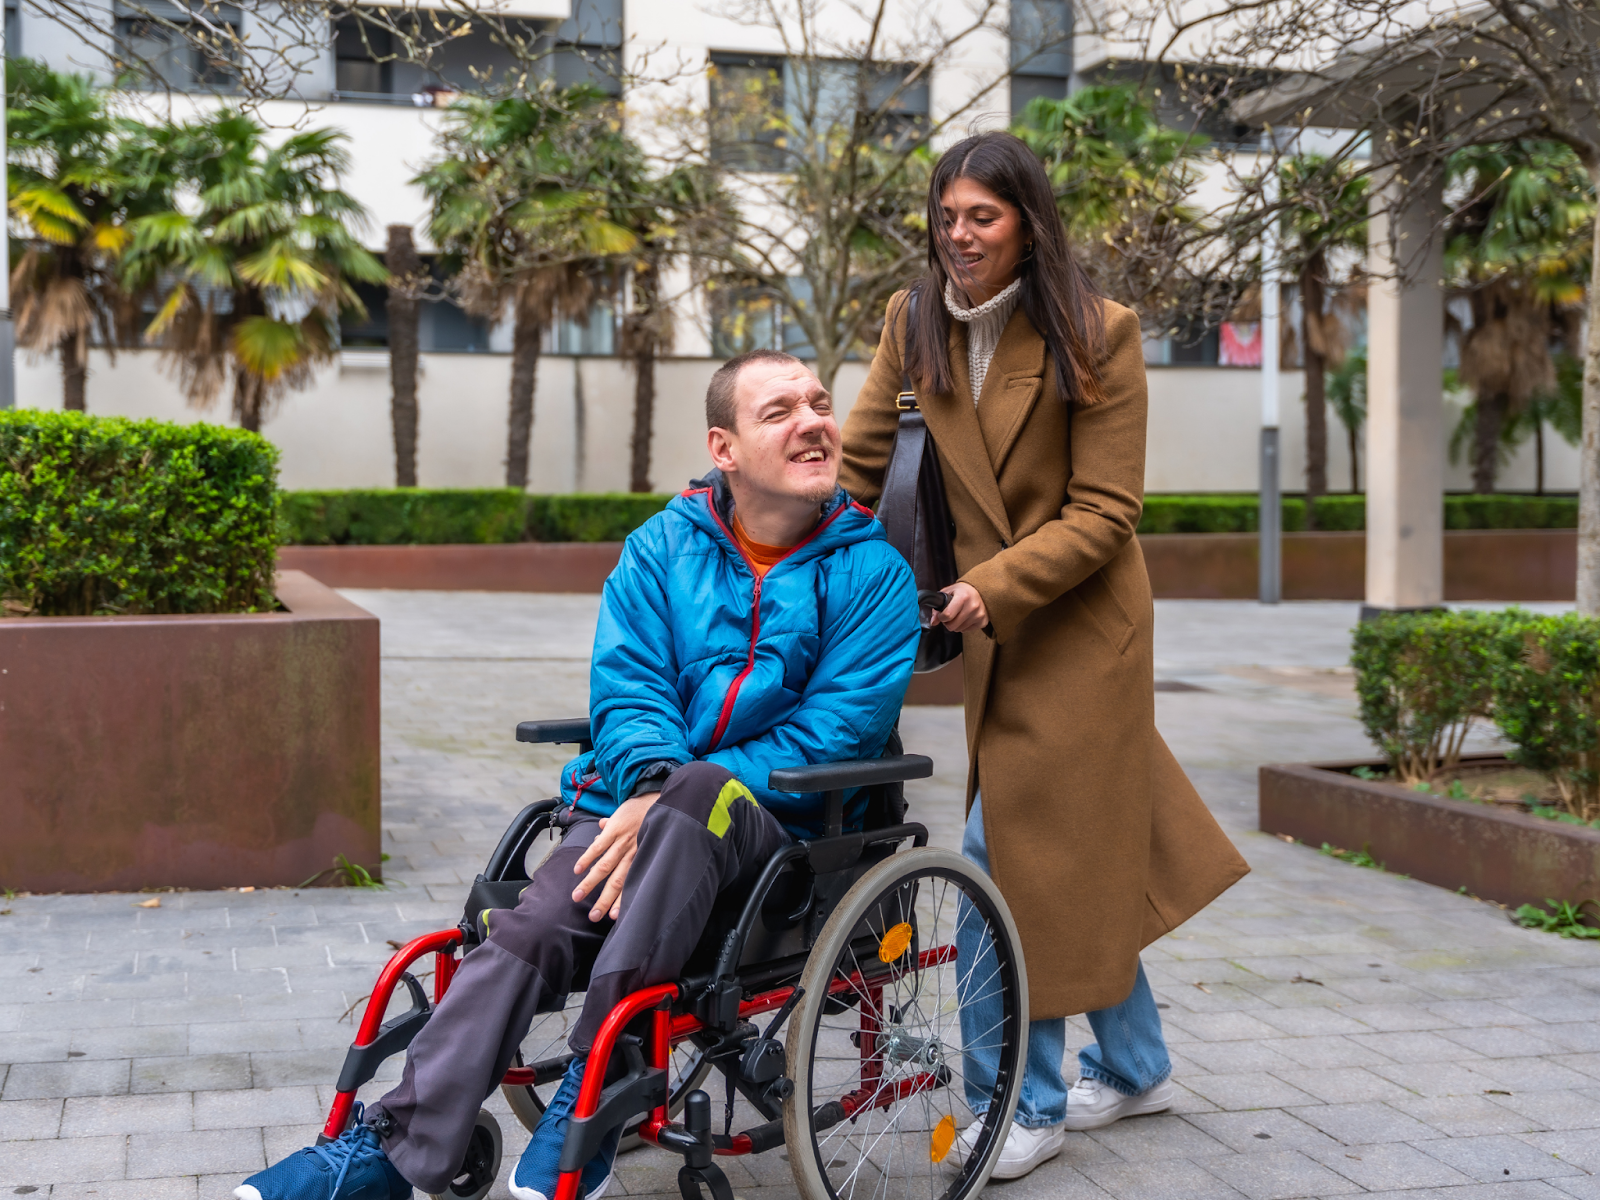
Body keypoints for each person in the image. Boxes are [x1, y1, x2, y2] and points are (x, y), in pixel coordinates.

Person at [236, 349, 919, 1200]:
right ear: (725, 447)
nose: (815, 420)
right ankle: (388, 1149)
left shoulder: (875, 576)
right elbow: (628, 692)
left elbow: (828, 738)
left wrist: (668, 791)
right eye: (780, 410)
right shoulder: (659, 550)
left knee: (700, 797)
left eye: (820, 403)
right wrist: (648, 790)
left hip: (776, 840)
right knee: (528, 929)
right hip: (635, 818)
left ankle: (587, 1107)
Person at [838, 131, 1251, 1181]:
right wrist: (789, 551)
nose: (959, 235)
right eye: (945, 216)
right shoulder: (910, 316)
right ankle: (1140, 1061)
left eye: (981, 215)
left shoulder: (1096, 331)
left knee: (1005, 853)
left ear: (1027, 220)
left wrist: (997, 584)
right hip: (982, 627)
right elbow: (858, 462)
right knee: (1087, 848)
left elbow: (1107, 510)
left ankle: (1018, 1101)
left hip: (1077, 626)